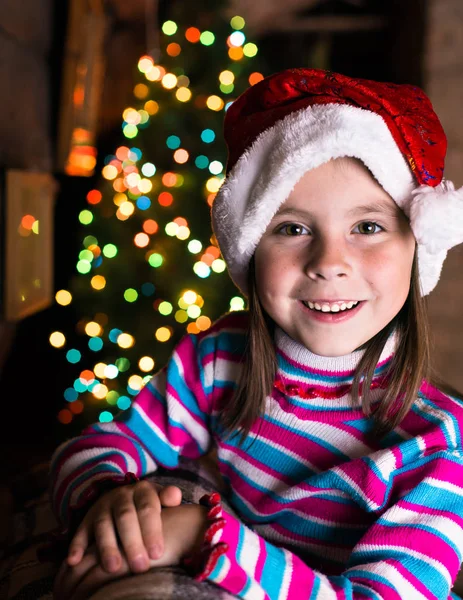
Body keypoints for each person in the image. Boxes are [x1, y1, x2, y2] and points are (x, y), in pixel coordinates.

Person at [51, 67, 463, 600]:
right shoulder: (218, 359)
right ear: (250, 249)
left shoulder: (438, 443)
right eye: (292, 229)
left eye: (367, 227)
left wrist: (207, 537)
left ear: (416, 247)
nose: (329, 264)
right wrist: (109, 501)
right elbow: (100, 445)